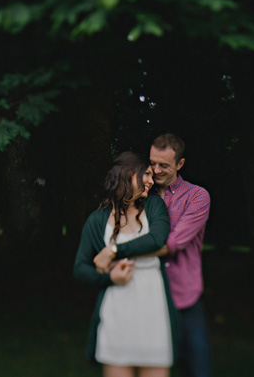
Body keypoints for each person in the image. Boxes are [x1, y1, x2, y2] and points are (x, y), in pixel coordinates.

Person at [95, 134, 211, 377]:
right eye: (152, 163)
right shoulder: (142, 195)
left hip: (183, 295)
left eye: (164, 165)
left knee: (197, 367)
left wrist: (116, 251)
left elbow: (170, 244)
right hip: (147, 294)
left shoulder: (197, 197)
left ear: (180, 164)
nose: (155, 170)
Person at [73, 151, 179, 377]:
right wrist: (109, 278)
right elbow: (80, 268)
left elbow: (157, 239)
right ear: (128, 174)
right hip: (117, 310)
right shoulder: (98, 219)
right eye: (147, 174)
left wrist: (113, 251)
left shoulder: (154, 206)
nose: (152, 180)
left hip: (153, 307)